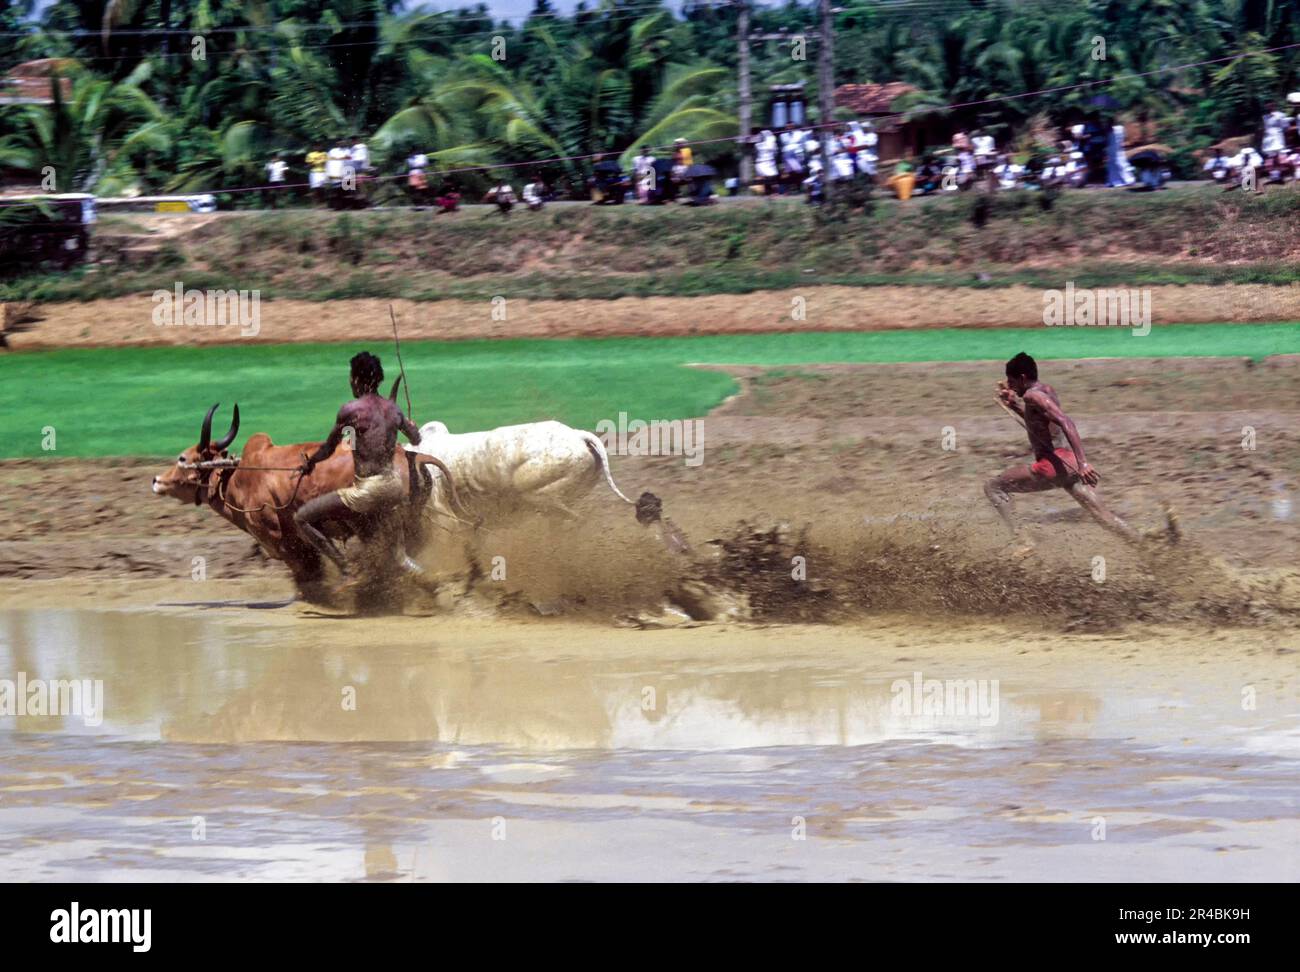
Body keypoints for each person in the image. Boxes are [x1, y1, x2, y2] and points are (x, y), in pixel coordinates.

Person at [984, 352, 1141, 552]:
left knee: (993, 487)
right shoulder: (1046, 390)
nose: (1010, 385)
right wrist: (1015, 406)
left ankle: (1023, 540)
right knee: (1104, 517)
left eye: (1012, 380)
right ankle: (1145, 546)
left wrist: (1085, 463)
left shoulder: (1033, 395)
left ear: (1023, 378)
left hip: (1052, 465)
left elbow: (1066, 422)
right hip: (1068, 463)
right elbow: (1042, 424)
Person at [294, 352, 422, 584]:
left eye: (350, 377)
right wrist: (412, 426)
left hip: (367, 492)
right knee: (399, 558)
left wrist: (309, 464)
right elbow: (415, 440)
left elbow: (329, 449)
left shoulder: (351, 410)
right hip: (394, 489)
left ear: (356, 380)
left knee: (302, 518)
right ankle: (434, 584)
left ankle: (346, 571)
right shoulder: (393, 409)